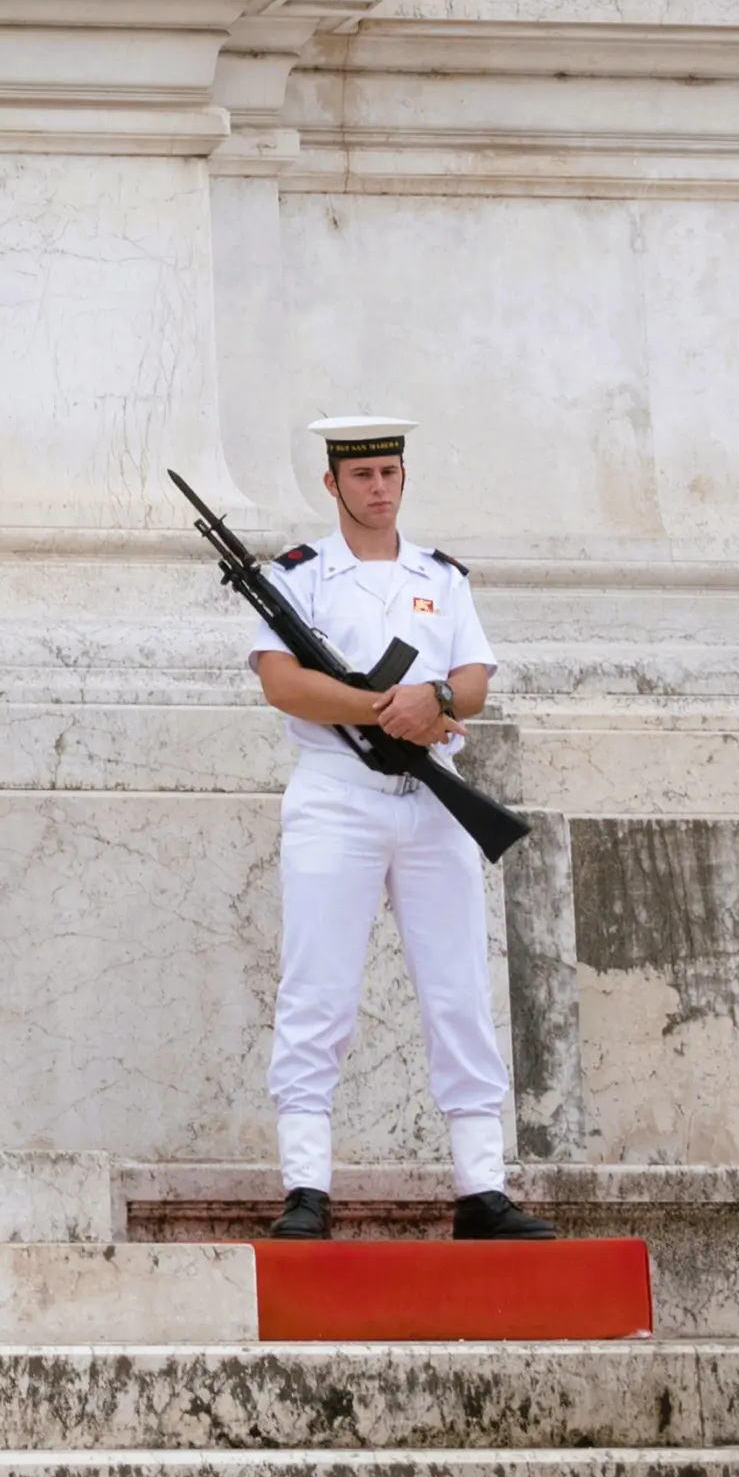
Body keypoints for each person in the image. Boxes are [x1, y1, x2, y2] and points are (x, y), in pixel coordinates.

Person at [244, 413, 552, 1242]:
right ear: (332, 484)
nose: (378, 489)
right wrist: (387, 708)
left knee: (458, 991)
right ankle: (307, 1184)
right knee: (317, 992)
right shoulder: (299, 577)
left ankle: (481, 1186)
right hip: (335, 792)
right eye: (362, 477)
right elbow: (282, 682)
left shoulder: (440, 576)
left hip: (432, 796)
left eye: (389, 474)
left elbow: (474, 680)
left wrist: (438, 703)